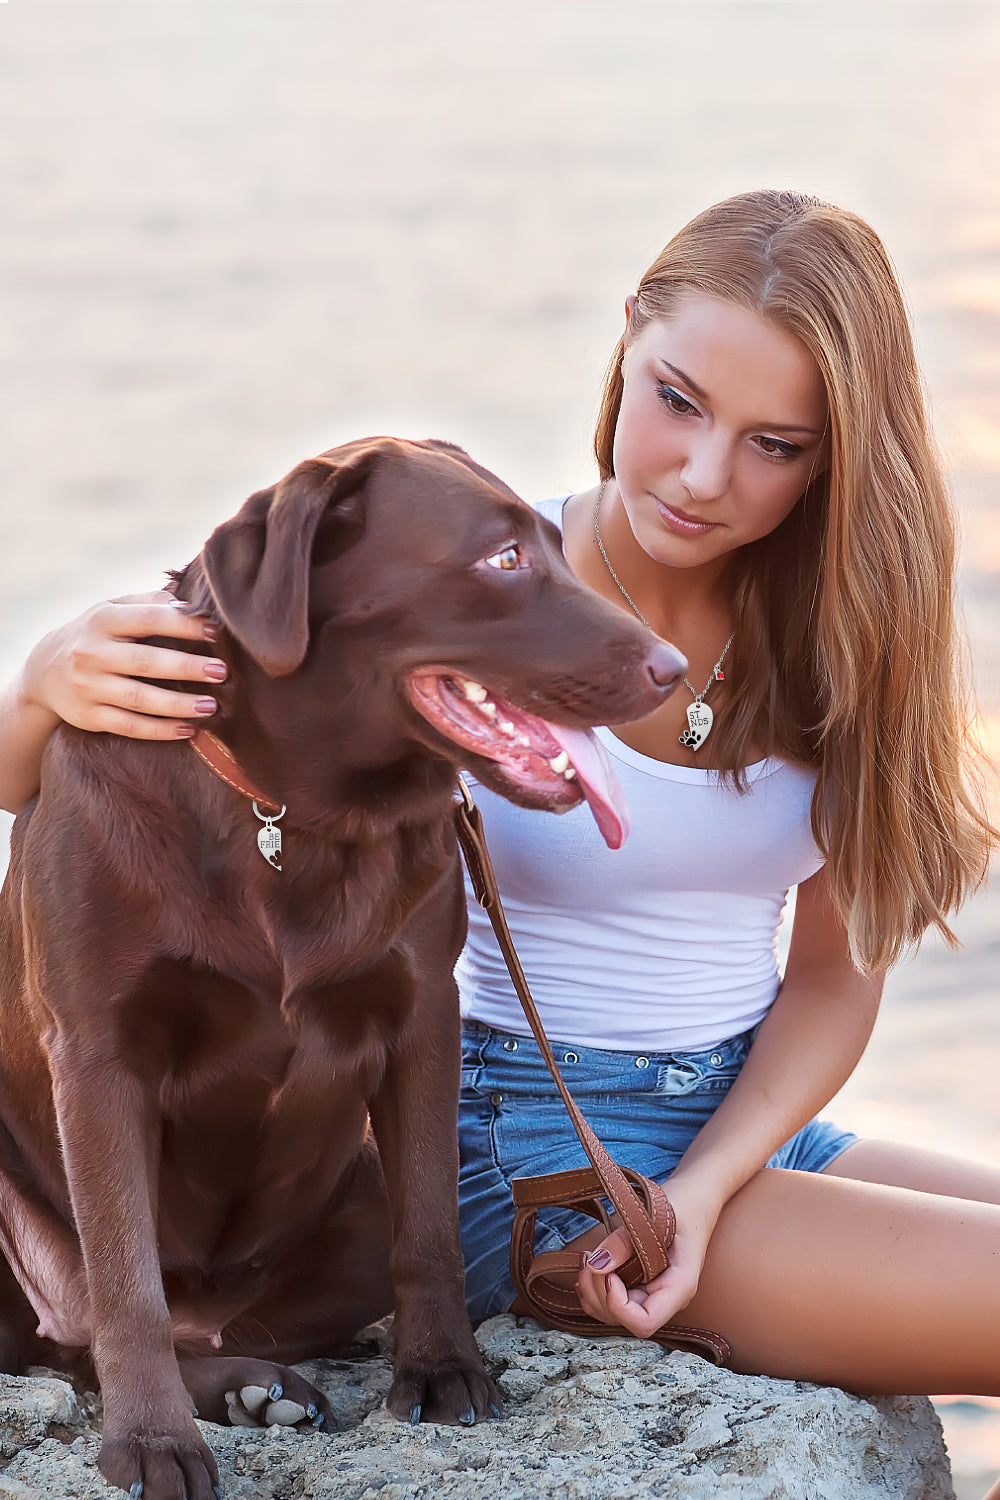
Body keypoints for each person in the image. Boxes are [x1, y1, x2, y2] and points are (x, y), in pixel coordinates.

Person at [3, 190, 1000, 1427]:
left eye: (775, 443)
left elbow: (834, 984)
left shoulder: (842, 642)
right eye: (675, 398)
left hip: (741, 1129)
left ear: (841, 450)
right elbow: (107, 794)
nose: (701, 475)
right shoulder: (463, 579)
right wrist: (43, 681)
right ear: (626, 341)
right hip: (524, 1149)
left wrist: (707, 1185)